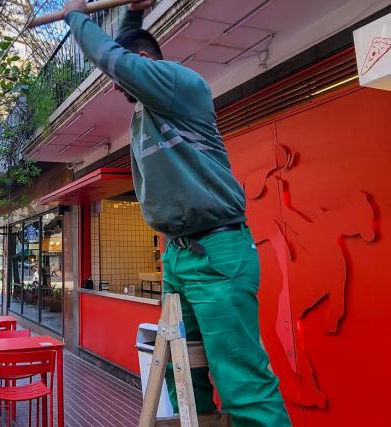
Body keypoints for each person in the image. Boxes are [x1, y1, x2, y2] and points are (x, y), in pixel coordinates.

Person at [60, 1, 291, 426]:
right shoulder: (148, 108)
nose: (115, 85)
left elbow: (116, 57)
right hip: (179, 256)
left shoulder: (179, 84)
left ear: (144, 63)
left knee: (241, 382)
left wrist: (75, 17)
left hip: (215, 250)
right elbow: (123, 53)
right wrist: (133, 15)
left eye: (123, 74)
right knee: (182, 371)